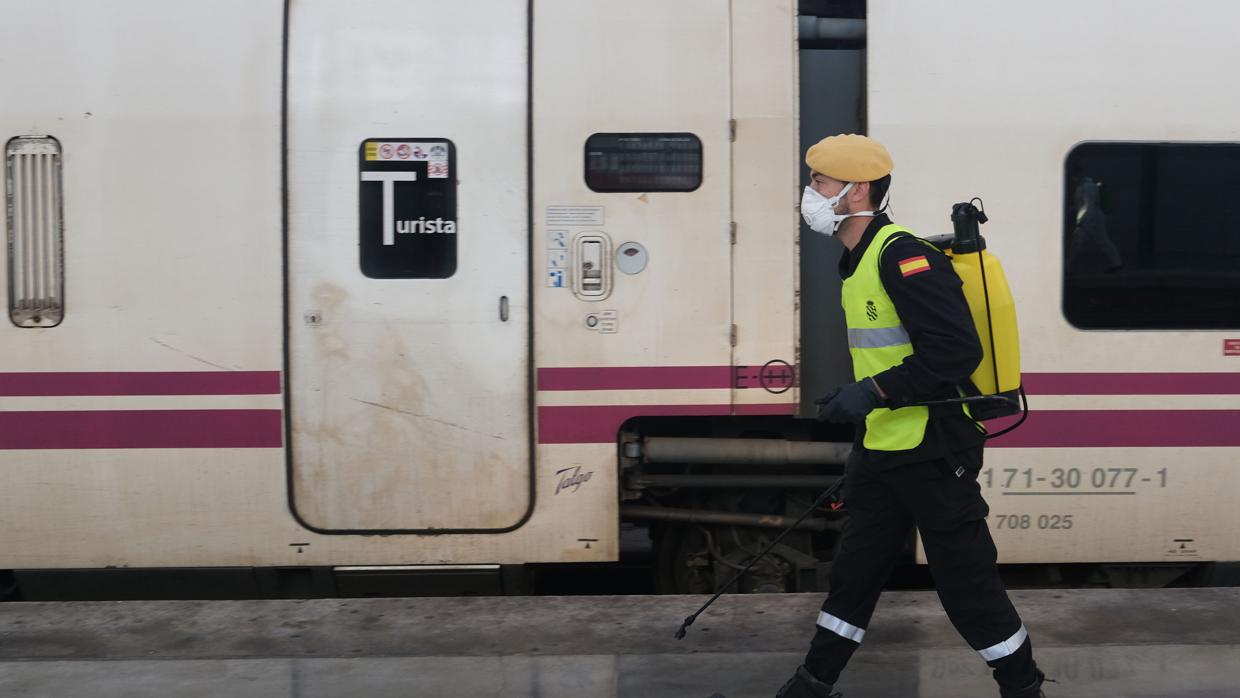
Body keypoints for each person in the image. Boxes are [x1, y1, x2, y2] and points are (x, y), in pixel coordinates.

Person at [774, 134, 1046, 698]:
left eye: (822, 183)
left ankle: (1024, 689)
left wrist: (870, 391)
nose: (812, 193)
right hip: (884, 448)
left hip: (934, 447)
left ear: (859, 190)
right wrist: (861, 427)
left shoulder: (903, 255)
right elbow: (892, 356)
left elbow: (954, 351)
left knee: (966, 585)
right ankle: (810, 684)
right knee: (854, 575)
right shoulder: (858, 258)